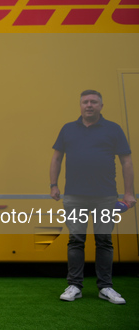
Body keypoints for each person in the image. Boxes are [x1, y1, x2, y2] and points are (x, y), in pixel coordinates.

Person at [50, 89, 135, 305]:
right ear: (80, 105)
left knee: (104, 241)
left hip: (105, 197)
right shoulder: (68, 129)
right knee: (76, 241)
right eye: (85, 102)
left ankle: (105, 287)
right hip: (74, 196)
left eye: (94, 102)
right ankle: (75, 286)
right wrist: (53, 185)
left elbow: (126, 161)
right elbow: (57, 159)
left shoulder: (113, 129)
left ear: (101, 106)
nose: (89, 105)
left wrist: (128, 193)